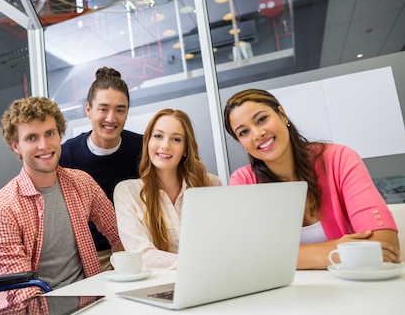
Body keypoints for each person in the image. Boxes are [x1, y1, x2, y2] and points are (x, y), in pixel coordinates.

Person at [223, 88, 400, 269]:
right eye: (243, 132)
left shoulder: (339, 159)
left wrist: (284, 257)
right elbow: (244, 256)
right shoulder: (243, 182)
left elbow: (384, 246)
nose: (257, 133)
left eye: (262, 119)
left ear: (282, 114)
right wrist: (334, 252)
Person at [0, 97, 122, 310]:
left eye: (50, 134)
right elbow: (23, 291)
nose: (44, 145)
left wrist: (116, 279)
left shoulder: (81, 182)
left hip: (91, 301)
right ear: (16, 146)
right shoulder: (1, 209)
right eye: (31, 138)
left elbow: (119, 233)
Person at [114, 108, 222, 269]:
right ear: (148, 142)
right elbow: (142, 256)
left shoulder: (210, 184)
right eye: (158, 136)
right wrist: (198, 263)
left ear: (186, 149)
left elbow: (222, 244)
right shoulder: (127, 192)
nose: (165, 145)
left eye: (176, 139)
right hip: (158, 286)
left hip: (210, 277)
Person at [60, 67, 142, 271]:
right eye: (103, 109)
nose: (111, 118)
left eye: (120, 110)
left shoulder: (143, 148)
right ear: (88, 110)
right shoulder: (65, 156)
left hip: (138, 247)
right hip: (88, 254)